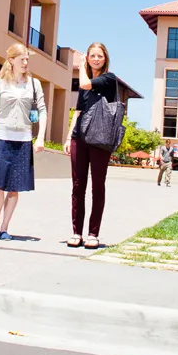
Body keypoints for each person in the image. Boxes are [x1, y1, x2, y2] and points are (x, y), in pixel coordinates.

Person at [0, 43, 46, 241]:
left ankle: (5, 228)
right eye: (22, 59)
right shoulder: (0, 84)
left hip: (23, 140)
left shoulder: (34, 84)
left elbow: (42, 110)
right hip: (0, 137)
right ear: (11, 60)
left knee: (14, 187)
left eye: (27, 59)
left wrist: (40, 136)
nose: (25, 62)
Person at [64, 42, 117, 249]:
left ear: (105, 59)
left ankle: (93, 233)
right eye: (92, 56)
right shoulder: (85, 84)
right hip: (80, 137)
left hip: (100, 139)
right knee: (78, 186)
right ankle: (76, 232)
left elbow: (86, 85)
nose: (96, 59)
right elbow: (78, 112)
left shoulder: (108, 79)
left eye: (99, 56)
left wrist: (80, 67)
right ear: (88, 58)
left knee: (97, 186)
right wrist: (69, 137)